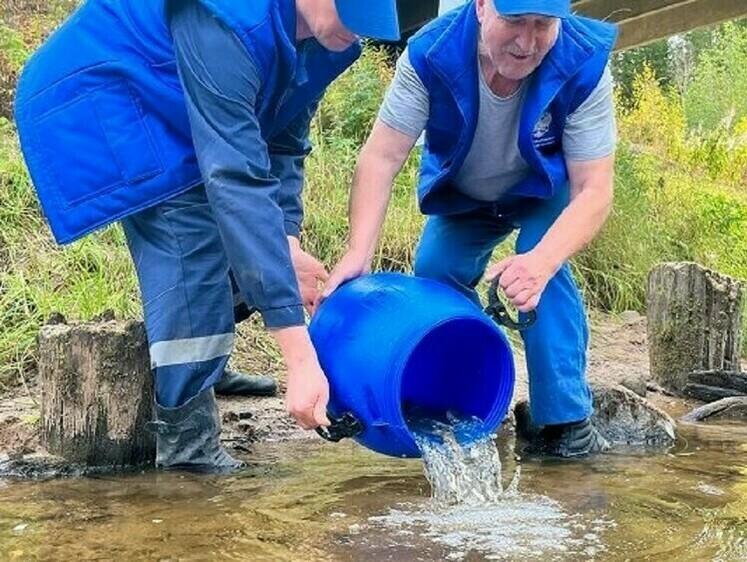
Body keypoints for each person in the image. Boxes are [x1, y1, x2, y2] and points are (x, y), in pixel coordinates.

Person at [14, 0, 400, 471]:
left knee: (253, 242)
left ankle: (205, 368)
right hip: (110, 97)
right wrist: (299, 359)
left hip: (176, 104)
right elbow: (235, 178)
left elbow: (281, 141)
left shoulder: (328, 36)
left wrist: (287, 241)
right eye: (353, 17)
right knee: (190, 237)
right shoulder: (226, 14)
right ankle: (187, 447)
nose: (357, 34)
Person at [321, 0, 618, 458]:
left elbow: (593, 190)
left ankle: (564, 423)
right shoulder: (429, 54)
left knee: (541, 274)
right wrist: (359, 251)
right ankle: (457, 397)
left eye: (543, 25)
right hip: (465, 195)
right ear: (481, 6)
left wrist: (539, 264)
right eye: (515, 21)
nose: (527, 42)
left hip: (543, 191)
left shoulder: (584, 60)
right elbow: (381, 158)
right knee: (435, 271)